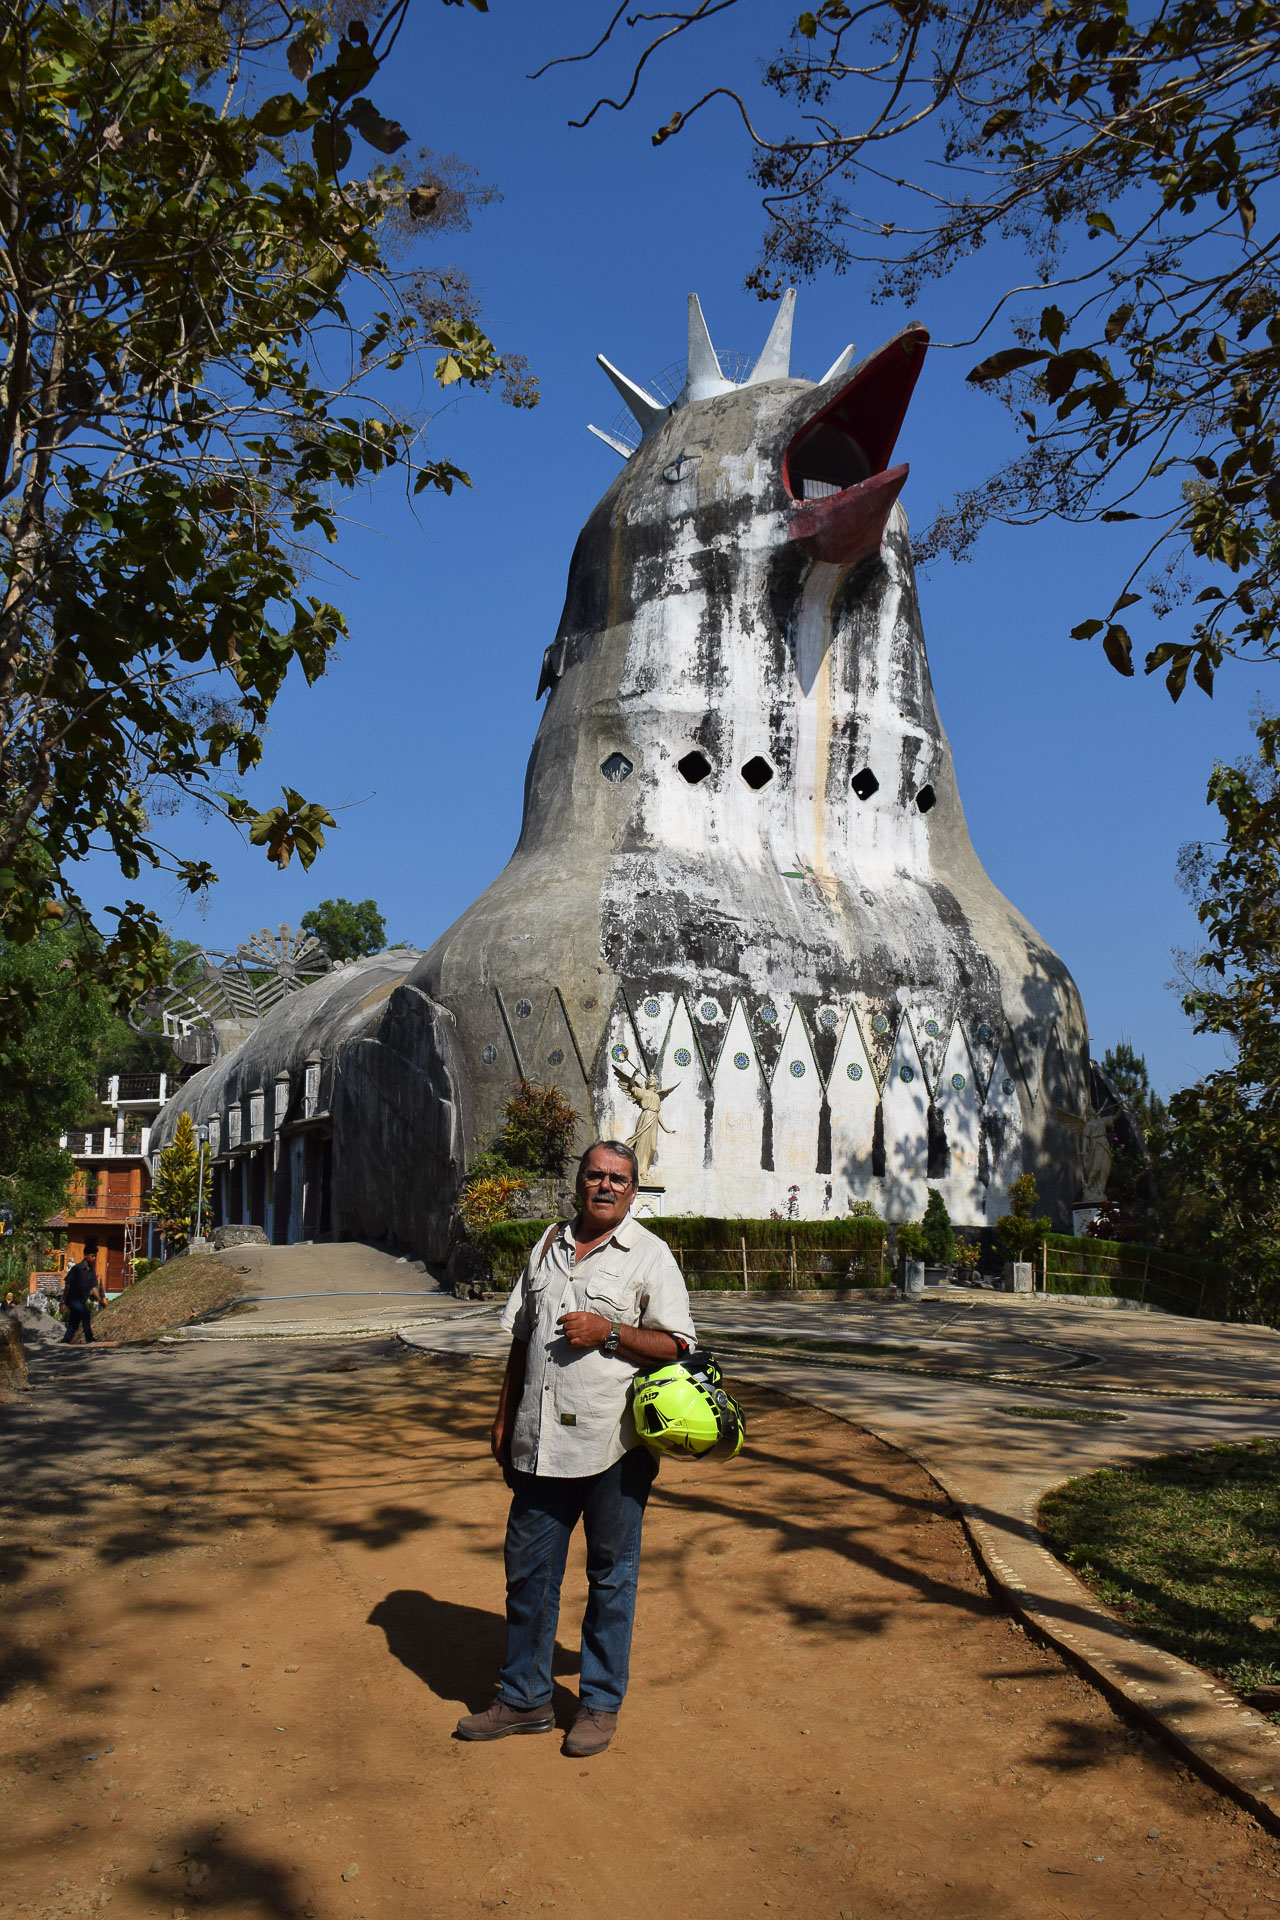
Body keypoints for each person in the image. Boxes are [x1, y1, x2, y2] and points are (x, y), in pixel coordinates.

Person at [456, 1138, 697, 1758]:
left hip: (615, 1446)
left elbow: (679, 1344)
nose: (606, 1186)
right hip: (540, 1444)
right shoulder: (546, 1247)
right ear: (579, 1181)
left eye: (619, 1179)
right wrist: (504, 1416)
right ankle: (525, 1698)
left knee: (611, 1578)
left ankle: (598, 1703)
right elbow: (521, 1339)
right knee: (528, 1575)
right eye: (596, 1175)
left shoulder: (650, 1255)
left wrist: (610, 1332)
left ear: (633, 1191)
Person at [61, 1246, 104, 1344]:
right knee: (86, 1313)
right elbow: (67, 1286)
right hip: (72, 1299)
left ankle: (65, 1341)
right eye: (92, 1256)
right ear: (85, 1255)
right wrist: (63, 1302)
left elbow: (94, 1288)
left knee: (74, 1322)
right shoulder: (77, 1268)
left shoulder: (91, 1270)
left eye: (95, 1256)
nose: (94, 1258)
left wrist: (100, 1301)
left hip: (81, 1300)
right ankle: (89, 1338)